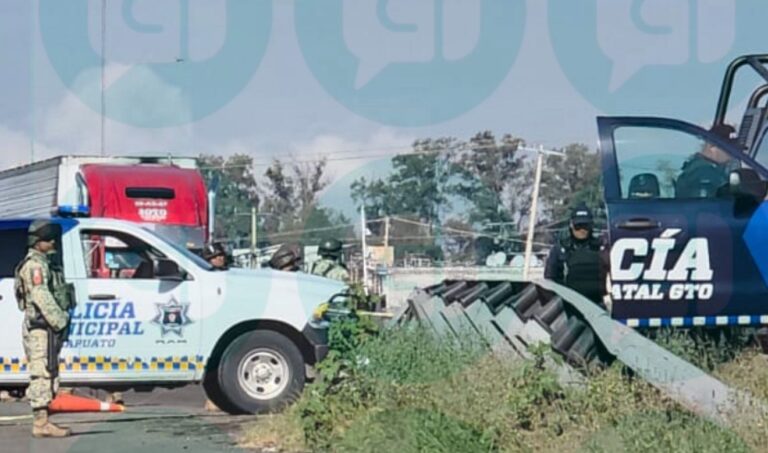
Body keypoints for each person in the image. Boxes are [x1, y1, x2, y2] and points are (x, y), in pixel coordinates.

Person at [15, 220, 72, 438]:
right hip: (41, 327)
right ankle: (41, 423)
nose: (53, 243)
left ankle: (44, 419)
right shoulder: (35, 266)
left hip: (45, 327)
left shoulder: (45, 262)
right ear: (38, 243)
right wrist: (60, 320)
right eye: (49, 240)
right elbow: (41, 296)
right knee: (41, 372)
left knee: (49, 370)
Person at [545, 204, 603, 304]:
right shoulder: (559, 249)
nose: (582, 230)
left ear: (591, 225)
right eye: (578, 226)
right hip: (569, 306)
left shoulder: (602, 249)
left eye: (585, 226)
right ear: (571, 225)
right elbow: (549, 280)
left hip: (597, 306)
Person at [675, 124, 738, 199]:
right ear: (712, 146)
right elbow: (704, 207)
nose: (733, 155)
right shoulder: (705, 174)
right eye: (729, 150)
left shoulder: (697, 168)